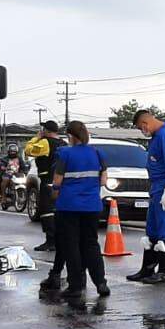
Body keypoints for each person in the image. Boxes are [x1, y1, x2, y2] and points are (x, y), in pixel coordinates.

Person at [41, 121, 110, 300]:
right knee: (91, 244)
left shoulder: (65, 154)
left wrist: (55, 193)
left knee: (71, 245)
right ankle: (101, 282)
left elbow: (57, 181)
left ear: (70, 136)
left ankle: (76, 286)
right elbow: (103, 181)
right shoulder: (97, 153)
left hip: (68, 206)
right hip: (92, 206)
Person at [126, 109, 165, 284]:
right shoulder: (156, 137)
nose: (141, 132)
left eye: (140, 128)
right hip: (157, 185)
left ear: (145, 123)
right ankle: (148, 268)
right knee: (152, 228)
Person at [25, 122, 61, 252]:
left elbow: (29, 150)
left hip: (48, 181)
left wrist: (36, 138)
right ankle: (59, 239)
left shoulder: (45, 142)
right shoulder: (63, 143)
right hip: (61, 181)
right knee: (57, 211)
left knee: (46, 211)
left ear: (46, 130)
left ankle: (50, 241)